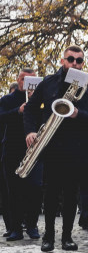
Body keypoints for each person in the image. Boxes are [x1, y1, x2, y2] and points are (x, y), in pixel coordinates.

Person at [24, 45, 88, 253]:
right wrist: (30, 132)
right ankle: (48, 236)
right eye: (70, 59)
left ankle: (67, 237)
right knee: (50, 194)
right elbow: (30, 109)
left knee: (71, 195)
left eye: (79, 61)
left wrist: (78, 114)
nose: (74, 64)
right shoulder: (48, 83)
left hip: (76, 149)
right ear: (62, 61)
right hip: (52, 147)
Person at [0, 70, 43, 241]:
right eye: (24, 79)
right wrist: (18, 110)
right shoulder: (7, 100)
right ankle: (15, 227)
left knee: (34, 188)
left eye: (31, 80)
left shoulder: (40, 101)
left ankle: (32, 226)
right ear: (18, 80)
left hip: (33, 150)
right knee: (14, 191)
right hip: (12, 149)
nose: (26, 83)